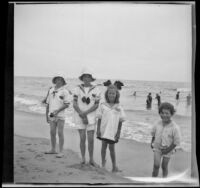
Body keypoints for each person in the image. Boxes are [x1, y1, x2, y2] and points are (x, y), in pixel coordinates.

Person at [73, 67, 101, 166]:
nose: (86, 78)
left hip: (91, 117)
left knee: (91, 140)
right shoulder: (77, 88)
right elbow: (74, 104)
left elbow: (96, 105)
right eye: (85, 76)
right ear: (82, 77)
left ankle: (91, 159)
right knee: (82, 138)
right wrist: (82, 114)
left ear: (91, 78)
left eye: (88, 76)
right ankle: (83, 158)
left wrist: (86, 114)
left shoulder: (97, 89)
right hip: (79, 116)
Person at [96, 83, 126, 173]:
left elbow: (120, 121)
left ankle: (114, 166)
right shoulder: (103, 105)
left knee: (112, 149)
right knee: (103, 147)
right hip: (104, 130)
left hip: (113, 131)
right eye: (109, 93)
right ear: (107, 94)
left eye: (113, 93)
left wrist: (118, 133)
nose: (111, 95)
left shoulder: (119, 107)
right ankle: (103, 165)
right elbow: (99, 119)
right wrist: (98, 130)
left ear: (116, 94)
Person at [150, 102, 181, 178]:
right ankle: (153, 180)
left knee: (164, 166)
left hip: (168, 149)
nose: (164, 115)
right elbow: (153, 134)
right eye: (162, 113)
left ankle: (164, 180)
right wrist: (152, 142)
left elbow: (176, 141)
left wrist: (167, 150)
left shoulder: (175, 127)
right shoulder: (157, 123)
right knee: (156, 165)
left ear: (171, 114)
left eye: (167, 113)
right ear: (159, 113)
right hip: (157, 147)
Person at [45, 74, 71, 158]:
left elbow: (67, 104)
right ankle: (53, 149)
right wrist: (46, 115)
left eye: (61, 79)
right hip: (51, 115)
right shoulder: (51, 90)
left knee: (60, 133)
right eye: (57, 79)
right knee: (52, 132)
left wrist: (58, 111)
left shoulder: (65, 91)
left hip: (60, 115)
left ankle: (61, 151)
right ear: (55, 80)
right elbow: (48, 103)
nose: (59, 81)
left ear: (63, 81)